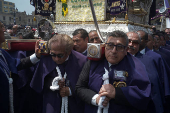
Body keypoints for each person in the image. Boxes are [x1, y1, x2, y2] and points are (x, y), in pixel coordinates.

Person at [75, 30, 151, 113]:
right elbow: (80, 87)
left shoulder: (136, 65)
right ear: (105, 46)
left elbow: (144, 95)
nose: (114, 51)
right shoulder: (93, 62)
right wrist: (95, 98)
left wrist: (116, 93)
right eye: (110, 45)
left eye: (119, 47)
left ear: (126, 50)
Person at [30, 34, 87, 113]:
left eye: (60, 55)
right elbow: (39, 82)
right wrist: (52, 83)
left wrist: (71, 91)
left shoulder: (82, 61)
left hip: (73, 104)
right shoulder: (46, 59)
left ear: (69, 52)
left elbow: (88, 85)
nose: (56, 59)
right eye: (53, 54)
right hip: (52, 102)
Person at [0, 21, 41, 113]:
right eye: (1, 27)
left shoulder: (2, 54)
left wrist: (37, 56)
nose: (4, 30)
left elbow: (17, 64)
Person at [127, 31, 164, 113]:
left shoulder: (149, 61)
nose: (131, 44)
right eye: (128, 41)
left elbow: (155, 87)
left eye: (135, 42)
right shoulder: (113, 58)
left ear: (139, 44)